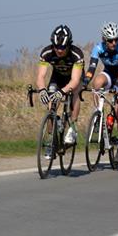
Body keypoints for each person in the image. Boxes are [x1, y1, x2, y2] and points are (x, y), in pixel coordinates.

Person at [83, 21, 118, 159]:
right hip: (109, 74)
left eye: (116, 39)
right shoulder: (98, 48)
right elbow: (92, 68)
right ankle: (98, 113)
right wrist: (85, 81)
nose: (114, 43)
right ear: (104, 39)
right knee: (97, 83)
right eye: (110, 40)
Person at [36, 25, 84, 156]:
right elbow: (40, 76)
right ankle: (51, 140)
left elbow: (75, 80)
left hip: (74, 78)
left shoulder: (76, 54)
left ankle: (72, 127)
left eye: (63, 47)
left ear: (69, 45)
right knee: (51, 105)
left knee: (75, 92)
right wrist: (42, 90)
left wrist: (62, 92)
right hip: (57, 77)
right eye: (56, 47)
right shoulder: (46, 53)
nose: (59, 50)